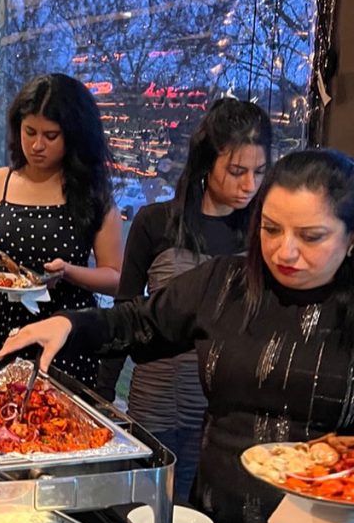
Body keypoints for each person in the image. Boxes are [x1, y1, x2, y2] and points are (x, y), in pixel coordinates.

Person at [0, 149, 354, 523]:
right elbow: (141, 321)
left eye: (311, 237)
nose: (285, 252)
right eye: (270, 229)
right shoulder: (228, 283)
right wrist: (69, 324)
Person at [100, 97, 271, 501]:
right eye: (236, 171)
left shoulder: (262, 234)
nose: (249, 185)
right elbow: (127, 315)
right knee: (146, 510)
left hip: (227, 413)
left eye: (259, 172)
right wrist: (103, 397)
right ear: (206, 163)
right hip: (155, 399)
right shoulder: (155, 222)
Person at [0, 73, 123, 391]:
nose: (37, 145)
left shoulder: (93, 194)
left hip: (65, 334)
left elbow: (115, 278)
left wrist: (69, 272)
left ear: (74, 136)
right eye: (29, 132)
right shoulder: (0, 181)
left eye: (51, 135)